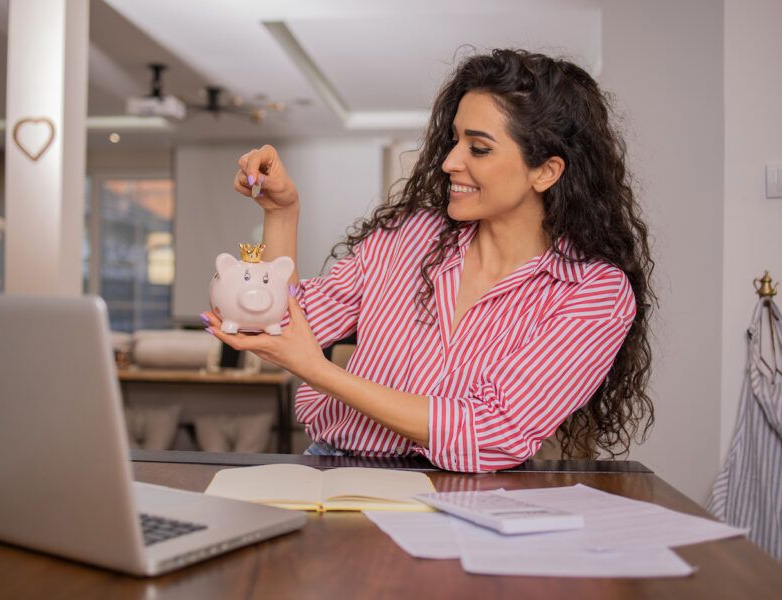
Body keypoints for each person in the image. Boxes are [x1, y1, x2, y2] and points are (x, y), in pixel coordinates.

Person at [201, 49, 655, 472]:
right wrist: (281, 212)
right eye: (454, 140)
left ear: (546, 171)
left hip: (473, 492)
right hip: (337, 467)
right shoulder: (409, 237)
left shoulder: (593, 291)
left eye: (478, 148)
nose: (449, 162)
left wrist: (319, 371)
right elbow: (282, 323)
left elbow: (494, 433)